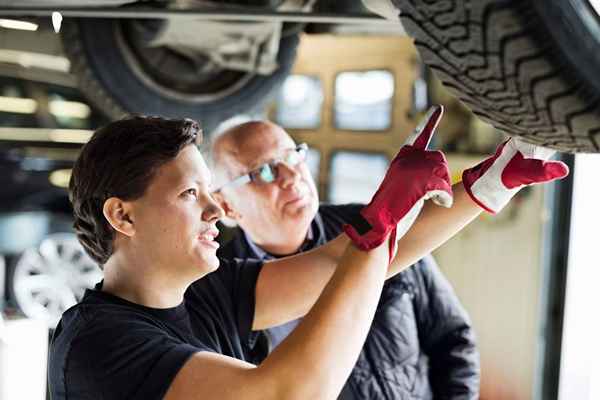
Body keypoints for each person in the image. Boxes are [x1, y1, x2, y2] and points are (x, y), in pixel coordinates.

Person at [47, 106, 568, 400]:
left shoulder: (210, 289)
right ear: (124, 216)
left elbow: (337, 262)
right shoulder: (98, 346)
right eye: (189, 195)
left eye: (209, 192)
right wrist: (380, 222)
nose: (213, 211)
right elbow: (288, 393)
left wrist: (487, 187)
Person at [211, 119, 480, 399]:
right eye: (264, 171)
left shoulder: (379, 224)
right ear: (226, 205)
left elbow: (452, 337)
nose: (292, 175)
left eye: (293, 156)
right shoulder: (222, 294)